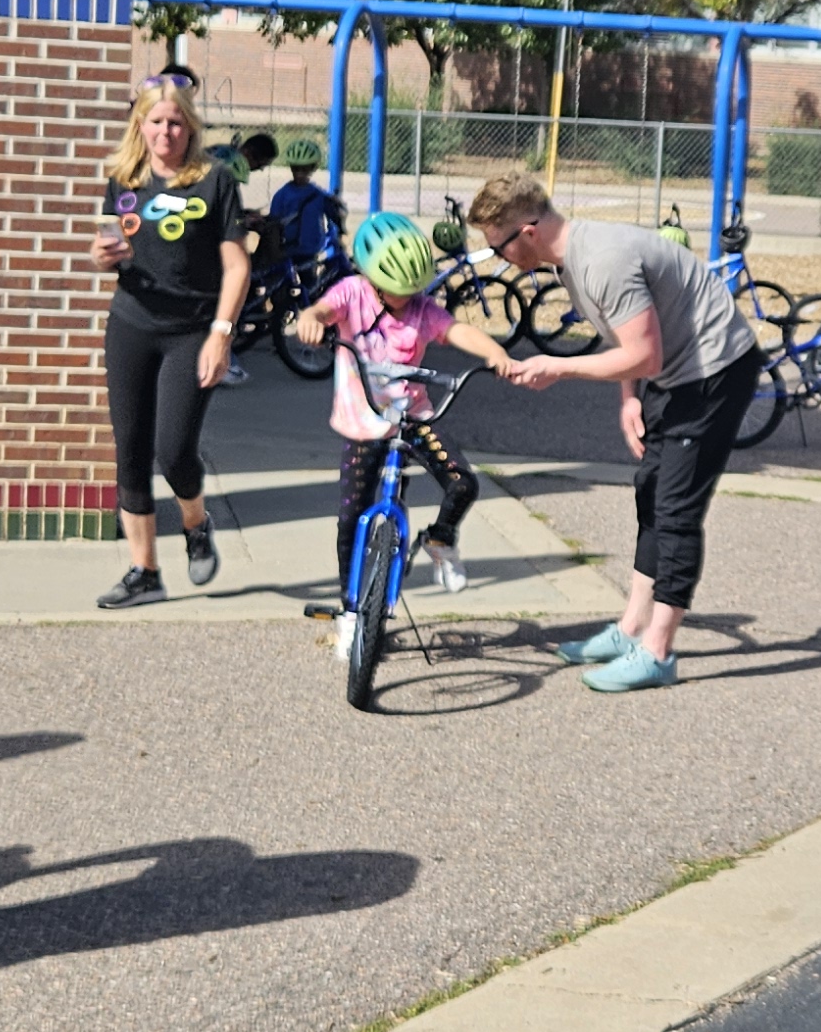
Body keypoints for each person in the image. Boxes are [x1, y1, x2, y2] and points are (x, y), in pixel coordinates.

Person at [477, 173, 764, 693]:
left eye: (498, 247)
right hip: (674, 373)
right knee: (650, 492)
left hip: (715, 372)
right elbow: (626, 338)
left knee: (676, 509)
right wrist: (629, 399)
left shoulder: (601, 261)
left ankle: (658, 651)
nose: (499, 260)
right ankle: (630, 627)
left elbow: (644, 353)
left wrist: (559, 368)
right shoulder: (572, 262)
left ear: (528, 231)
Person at [290, 212, 511, 646]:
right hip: (364, 425)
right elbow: (322, 309)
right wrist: (312, 319)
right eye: (399, 290)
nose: (409, 298)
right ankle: (351, 610)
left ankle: (440, 540)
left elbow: (458, 331)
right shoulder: (352, 293)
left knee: (463, 484)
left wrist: (497, 355)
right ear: (372, 278)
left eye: (415, 290)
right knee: (351, 519)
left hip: (413, 421)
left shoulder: (424, 311)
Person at [90, 79, 247, 608]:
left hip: (192, 331)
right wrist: (101, 255)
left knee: (173, 449)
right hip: (131, 324)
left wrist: (220, 336)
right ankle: (144, 571)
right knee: (131, 453)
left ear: (190, 128)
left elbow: (236, 266)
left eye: (176, 122)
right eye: (156, 121)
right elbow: (111, 240)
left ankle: (196, 523)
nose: (166, 131)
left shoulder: (215, 181)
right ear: (141, 124)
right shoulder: (123, 178)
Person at [263, 135, 344, 268]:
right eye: (296, 168)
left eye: (305, 169)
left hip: (310, 253)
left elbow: (335, 219)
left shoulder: (319, 195)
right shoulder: (281, 196)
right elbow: (273, 226)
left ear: (313, 168)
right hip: (285, 253)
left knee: (310, 285)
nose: (300, 173)